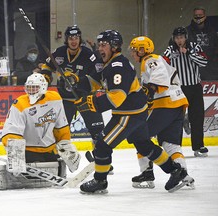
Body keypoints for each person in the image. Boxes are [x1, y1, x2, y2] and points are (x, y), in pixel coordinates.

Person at [73, 30, 191, 194]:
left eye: (104, 45)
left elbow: (117, 97)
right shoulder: (111, 63)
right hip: (137, 111)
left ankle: (100, 181)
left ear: (114, 47)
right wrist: (76, 81)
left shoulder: (118, 66)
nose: (100, 48)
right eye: (99, 45)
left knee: (102, 144)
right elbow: (95, 80)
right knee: (144, 144)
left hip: (128, 114)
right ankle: (175, 170)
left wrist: (91, 103)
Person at [0, 73, 81, 190]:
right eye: (29, 88)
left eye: (35, 87)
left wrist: (65, 145)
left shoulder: (55, 99)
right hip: (28, 151)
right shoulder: (20, 104)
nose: (31, 91)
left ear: (43, 87)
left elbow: (61, 126)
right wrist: (16, 157)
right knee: (29, 173)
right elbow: (11, 132)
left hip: (49, 149)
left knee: (57, 168)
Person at [128, 36, 194, 189]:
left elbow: (159, 75)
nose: (132, 53)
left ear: (142, 49)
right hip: (177, 104)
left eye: (134, 50)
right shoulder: (151, 60)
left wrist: (150, 90)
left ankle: (147, 172)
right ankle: (184, 175)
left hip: (166, 104)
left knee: (139, 136)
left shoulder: (150, 59)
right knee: (170, 143)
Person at [40, 25, 104, 148]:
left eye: (76, 38)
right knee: (59, 133)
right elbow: (47, 66)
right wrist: (46, 77)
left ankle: (101, 156)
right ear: (66, 40)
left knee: (98, 133)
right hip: (66, 100)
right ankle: (59, 157)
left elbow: (97, 76)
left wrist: (79, 81)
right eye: (70, 38)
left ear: (80, 39)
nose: (73, 41)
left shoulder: (88, 55)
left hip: (86, 98)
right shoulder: (59, 52)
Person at [163, 27, 208, 157]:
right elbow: (162, 64)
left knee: (197, 117)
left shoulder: (194, 47)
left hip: (194, 87)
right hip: (178, 89)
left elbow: (204, 62)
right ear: (173, 38)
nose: (179, 40)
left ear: (186, 37)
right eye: (177, 38)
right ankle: (177, 147)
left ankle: (198, 146)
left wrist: (189, 54)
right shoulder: (170, 49)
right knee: (177, 119)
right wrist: (171, 58)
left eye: (181, 37)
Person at [186, 6, 218, 80]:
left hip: (211, 68)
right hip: (193, 68)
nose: (198, 18)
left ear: (205, 16)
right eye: (196, 16)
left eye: (200, 15)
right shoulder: (187, 31)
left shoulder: (212, 31)